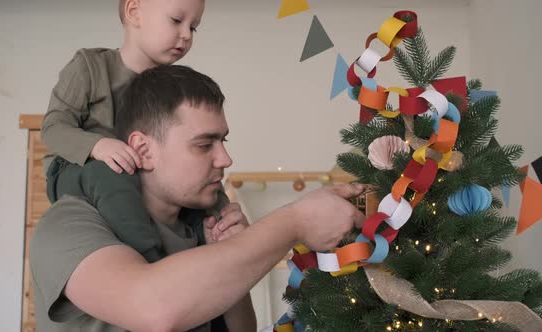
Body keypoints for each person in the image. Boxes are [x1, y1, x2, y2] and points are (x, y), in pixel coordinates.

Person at [30, 64, 367, 331]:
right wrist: (295, 221)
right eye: (205, 145)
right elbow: (153, 309)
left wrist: (232, 251)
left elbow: (241, 329)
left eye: (224, 142)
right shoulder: (70, 223)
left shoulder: (200, 226)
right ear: (143, 150)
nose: (224, 159)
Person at [40, 0, 221, 264]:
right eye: (176, 21)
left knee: (200, 181)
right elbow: (53, 128)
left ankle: (221, 241)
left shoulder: (172, 88)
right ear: (134, 12)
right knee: (110, 174)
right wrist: (98, 145)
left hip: (133, 175)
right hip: (79, 168)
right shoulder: (90, 67)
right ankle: (148, 259)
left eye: (194, 28)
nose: (186, 35)